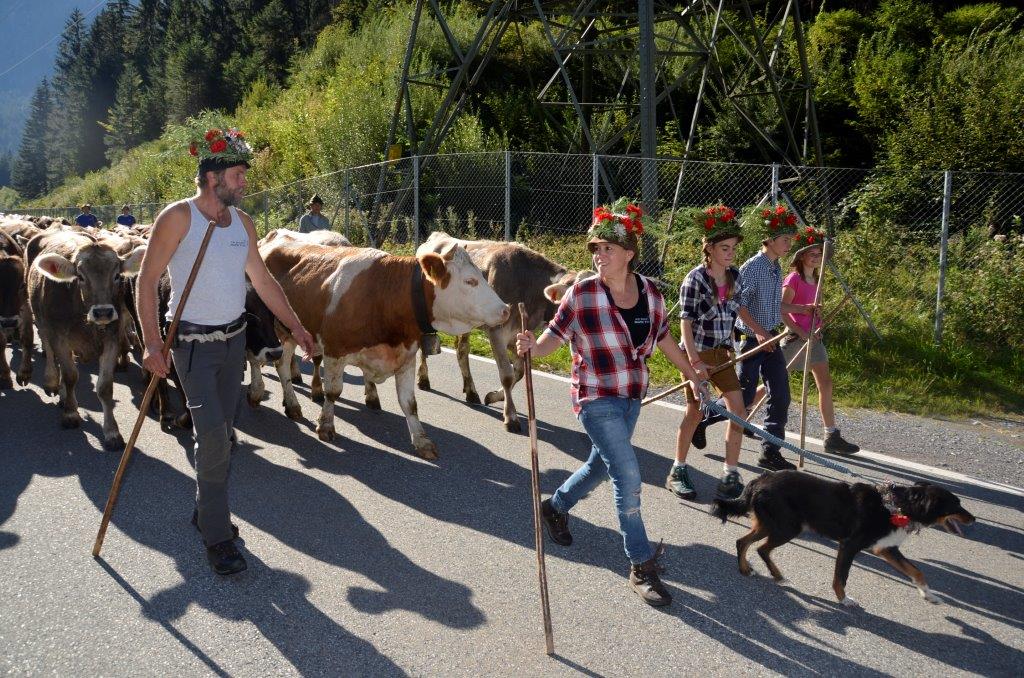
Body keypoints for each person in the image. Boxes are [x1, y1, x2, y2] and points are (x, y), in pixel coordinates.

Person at [137, 122, 317, 576]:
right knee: (215, 438)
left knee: (222, 434)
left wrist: (297, 325)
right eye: (238, 175)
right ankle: (217, 536)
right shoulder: (178, 218)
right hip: (192, 346)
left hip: (234, 342)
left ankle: (206, 507)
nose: (244, 182)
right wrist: (152, 343)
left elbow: (263, 281)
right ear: (213, 177)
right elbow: (146, 281)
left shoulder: (243, 223)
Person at [515, 198, 706, 608]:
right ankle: (640, 564)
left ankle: (555, 506)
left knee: (600, 466)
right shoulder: (582, 294)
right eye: (596, 249)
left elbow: (664, 339)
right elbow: (553, 338)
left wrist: (691, 373)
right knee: (628, 477)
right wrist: (532, 345)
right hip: (595, 397)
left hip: (631, 396)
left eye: (608, 249)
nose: (600, 255)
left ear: (629, 254)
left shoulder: (650, 293)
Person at [692, 204, 817, 472]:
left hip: (771, 340)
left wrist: (801, 310)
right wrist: (759, 332)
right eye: (785, 240)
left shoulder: (775, 267)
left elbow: (774, 306)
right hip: (750, 339)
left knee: (781, 394)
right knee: (744, 397)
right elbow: (739, 305)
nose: (789, 245)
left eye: (790, 240)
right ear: (769, 240)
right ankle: (704, 417)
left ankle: (770, 451)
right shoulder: (753, 268)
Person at [666, 205, 769, 502]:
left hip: (723, 354)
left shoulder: (735, 276)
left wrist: (759, 331)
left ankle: (730, 474)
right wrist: (694, 363)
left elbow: (740, 308)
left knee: (739, 410)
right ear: (709, 248)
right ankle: (677, 470)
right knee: (695, 412)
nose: (731, 253)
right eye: (725, 248)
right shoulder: (695, 279)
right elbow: (685, 322)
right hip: (696, 353)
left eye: (733, 248)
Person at [781, 227, 859, 455]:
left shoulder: (816, 279)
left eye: (819, 254)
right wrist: (801, 332)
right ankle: (743, 411)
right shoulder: (793, 279)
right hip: (794, 339)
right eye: (812, 254)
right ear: (801, 256)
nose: (816, 258)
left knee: (825, 384)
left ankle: (831, 435)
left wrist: (817, 324)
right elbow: (782, 310)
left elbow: (814, 312)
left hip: (814, 339)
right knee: (772, 385)